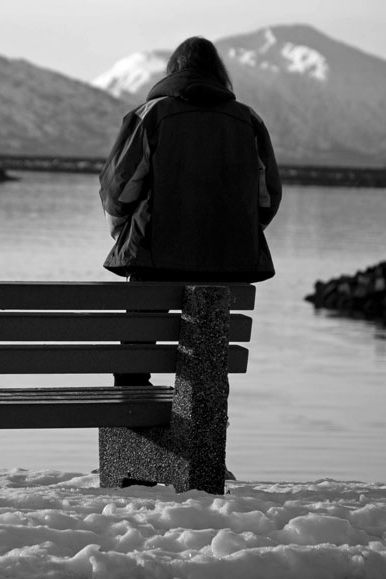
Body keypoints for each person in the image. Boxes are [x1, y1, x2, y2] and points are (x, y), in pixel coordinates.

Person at [99, 36, 282, 387]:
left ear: (172, 72)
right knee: (208, 358)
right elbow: (267, 200)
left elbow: (118, 191)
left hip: (155, 258)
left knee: (135, 353)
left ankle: (135, 402)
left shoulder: (152, 114)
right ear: (219, 74)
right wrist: (235, 229)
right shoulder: (248, 121)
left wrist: (124, 231)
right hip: (227, 264)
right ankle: (201, 409)